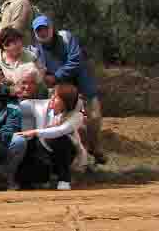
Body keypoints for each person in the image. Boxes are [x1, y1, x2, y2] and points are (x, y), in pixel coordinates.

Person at [30, 16, 105, 164]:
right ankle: (79, 159)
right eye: (39, 30)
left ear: (52, 27)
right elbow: (40, 70)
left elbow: (76, 60)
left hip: (82, 82)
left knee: (94, 116)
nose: (43, 32)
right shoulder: (35, 49)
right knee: (69, 122)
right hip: (61, 89)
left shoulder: (66, 37)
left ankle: (95, 148)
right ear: (35, 33)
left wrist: (56, 76)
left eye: (45, 28)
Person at [16, 83, 83, 190]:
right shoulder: (42, 106)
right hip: (42, 150)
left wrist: (35, 132)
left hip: (65, 152)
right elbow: (22, 105)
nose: (52, 98)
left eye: (56, 97)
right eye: (52, 95)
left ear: (66, 102)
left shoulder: (77, 116)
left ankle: (64, 179)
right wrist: (15, 93)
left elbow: (61, 130)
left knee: (60, 139)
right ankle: (43, 177)